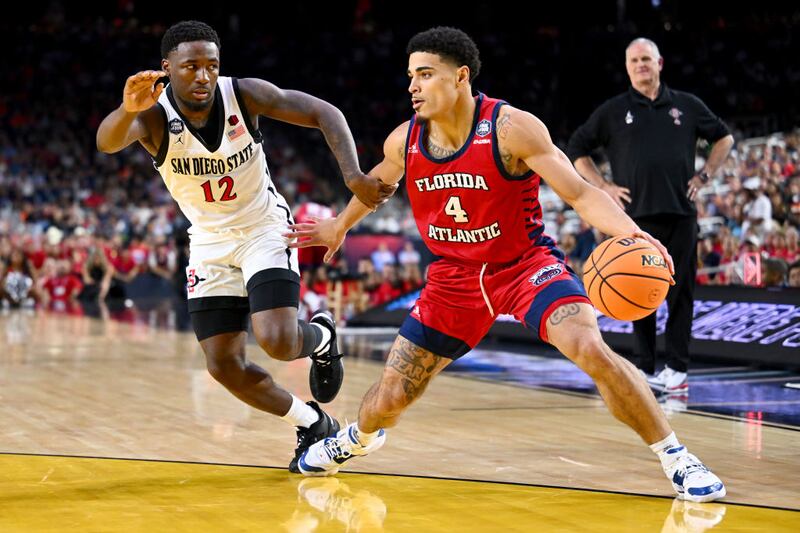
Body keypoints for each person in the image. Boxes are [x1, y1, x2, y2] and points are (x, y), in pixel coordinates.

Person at [287, 27, 725, 502]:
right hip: (453, 279)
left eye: (425, 74)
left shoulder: (510, 128)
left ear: (460, 77)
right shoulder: (405, 140)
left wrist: (633, 233)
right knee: (390, 397)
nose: (412, 86)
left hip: (524, 267)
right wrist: (340, 225)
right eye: (410, 76)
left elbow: (580, 193)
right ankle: (356, 438)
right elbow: (376, 184)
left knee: (590, 348)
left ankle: (676, 455)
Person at [95, 20, 396, 472]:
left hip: (263, 228)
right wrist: (125, 109)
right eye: (190, 66)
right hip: (209, 241)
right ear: (167, 68)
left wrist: (352, 175)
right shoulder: (153, 115)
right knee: (223, 367)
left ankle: (321, 336)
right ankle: (312, 422)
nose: (203, 76)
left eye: (211, 65)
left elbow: (324, 112)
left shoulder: (244, 94)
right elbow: (107, 142)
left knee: (277, 341)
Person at [566, 38, 734, 394]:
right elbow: (576, 148)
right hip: (633, 220)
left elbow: (724, 139)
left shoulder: (687, 105)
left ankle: (677, 369)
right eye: (634, 60)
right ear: (627, 68)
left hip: (681, 214)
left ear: (659, 63)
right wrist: (603, 187)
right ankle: (643, 367)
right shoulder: (613, 110)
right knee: (636, 290)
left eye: (646, 59)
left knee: (680, 294)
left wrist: (705, 176)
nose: (641, 64)